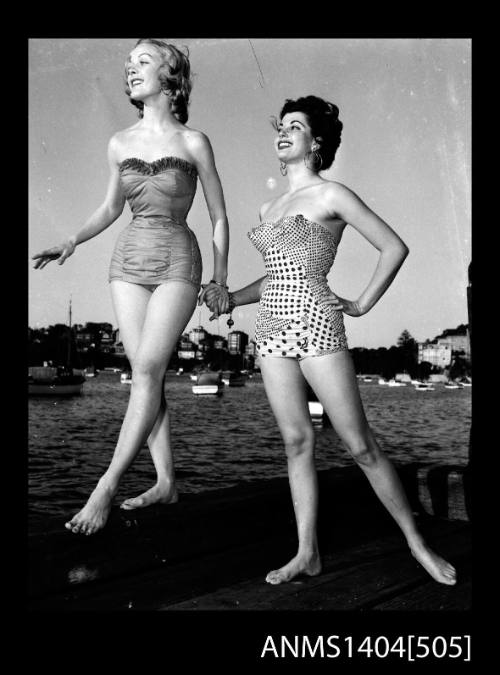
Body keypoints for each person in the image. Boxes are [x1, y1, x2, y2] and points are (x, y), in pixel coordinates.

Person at [201, 95, 456, 586]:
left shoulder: (332, 194)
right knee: (297, 442)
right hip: (271, 330)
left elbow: (394, 246)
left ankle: (417, 544)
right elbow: (276, 278)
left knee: (359, 444)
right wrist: (231, 297)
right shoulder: (269, 205)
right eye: (282, 124)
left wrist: (361, 304)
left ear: (315, 143)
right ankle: (306, 553)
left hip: (317, 322)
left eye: (296, 126)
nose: (284, 131)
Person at [33, 39, 230, 535]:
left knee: (145, 368)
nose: (130, 69)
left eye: (143, 60)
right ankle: (166, 480)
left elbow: (220, 216)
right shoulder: (119, 142)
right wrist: (71, 240)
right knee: (147, 374)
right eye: (128, 64)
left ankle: (104, 487)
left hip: (178, 261)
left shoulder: (194, 141)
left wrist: (221, 277)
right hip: (127, 261)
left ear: (171, 75)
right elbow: (110, 208)